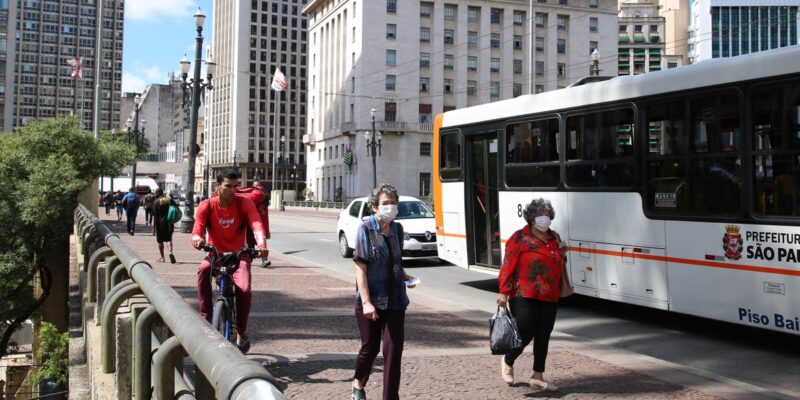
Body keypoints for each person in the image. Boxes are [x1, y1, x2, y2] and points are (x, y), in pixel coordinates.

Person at [351, 184, 416, 400]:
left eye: (394, 203)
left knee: (393, 351)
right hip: (371, 299)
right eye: (385, 203)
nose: (391, 207)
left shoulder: (397, 229)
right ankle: (358, 383)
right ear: (374, 206)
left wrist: (405, 276)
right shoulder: (365, 228)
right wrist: (366, 302)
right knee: (370, 348)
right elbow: (361, 269)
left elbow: (395, 261)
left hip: (396, 300)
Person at [496, 198, 569, 391]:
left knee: (544, 334)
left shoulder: (554, 237)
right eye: (540, 215)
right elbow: (508, 265)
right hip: (523, 293)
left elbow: (559, 262)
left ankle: (537, 376)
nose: (545, 218)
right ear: (531, 218)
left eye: (547, 215)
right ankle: (508, 359)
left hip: (550, 294)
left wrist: (562, 254)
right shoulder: (519, 238)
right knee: (525, 331)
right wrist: (503, 292)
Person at [191, 169, 268, 354]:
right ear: (217, 186)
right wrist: (197, 239)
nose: (233, 190)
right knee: (203, 270)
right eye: (228, 186)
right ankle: (206, 319)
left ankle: (241, 331)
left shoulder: (244, 203)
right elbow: (197, 229)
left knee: (244, 289)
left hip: (239, 256)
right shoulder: (207, 205)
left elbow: (256, 224)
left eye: (235, 186)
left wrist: (261, 244)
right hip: (215, 255)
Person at [250, 181, 272, 268]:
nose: (257, 187)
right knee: (250, 242)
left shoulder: (264, 195)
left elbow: (264, 213)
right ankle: (249, 259)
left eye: (258, 185)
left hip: (259, 223)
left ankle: (264, 260)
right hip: (251, 222)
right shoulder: (253, 196)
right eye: (256, 186)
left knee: (262, 241)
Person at [152, 188, 176, 263]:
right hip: (170, 223)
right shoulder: (169, 200)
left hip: (160, 224)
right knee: (169, 239)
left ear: (157, 193)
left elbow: (155, 217)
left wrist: (154, 228)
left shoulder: (156, 202)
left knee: (160, 241)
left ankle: (162, 257)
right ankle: (170, 252)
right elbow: (175, 209)